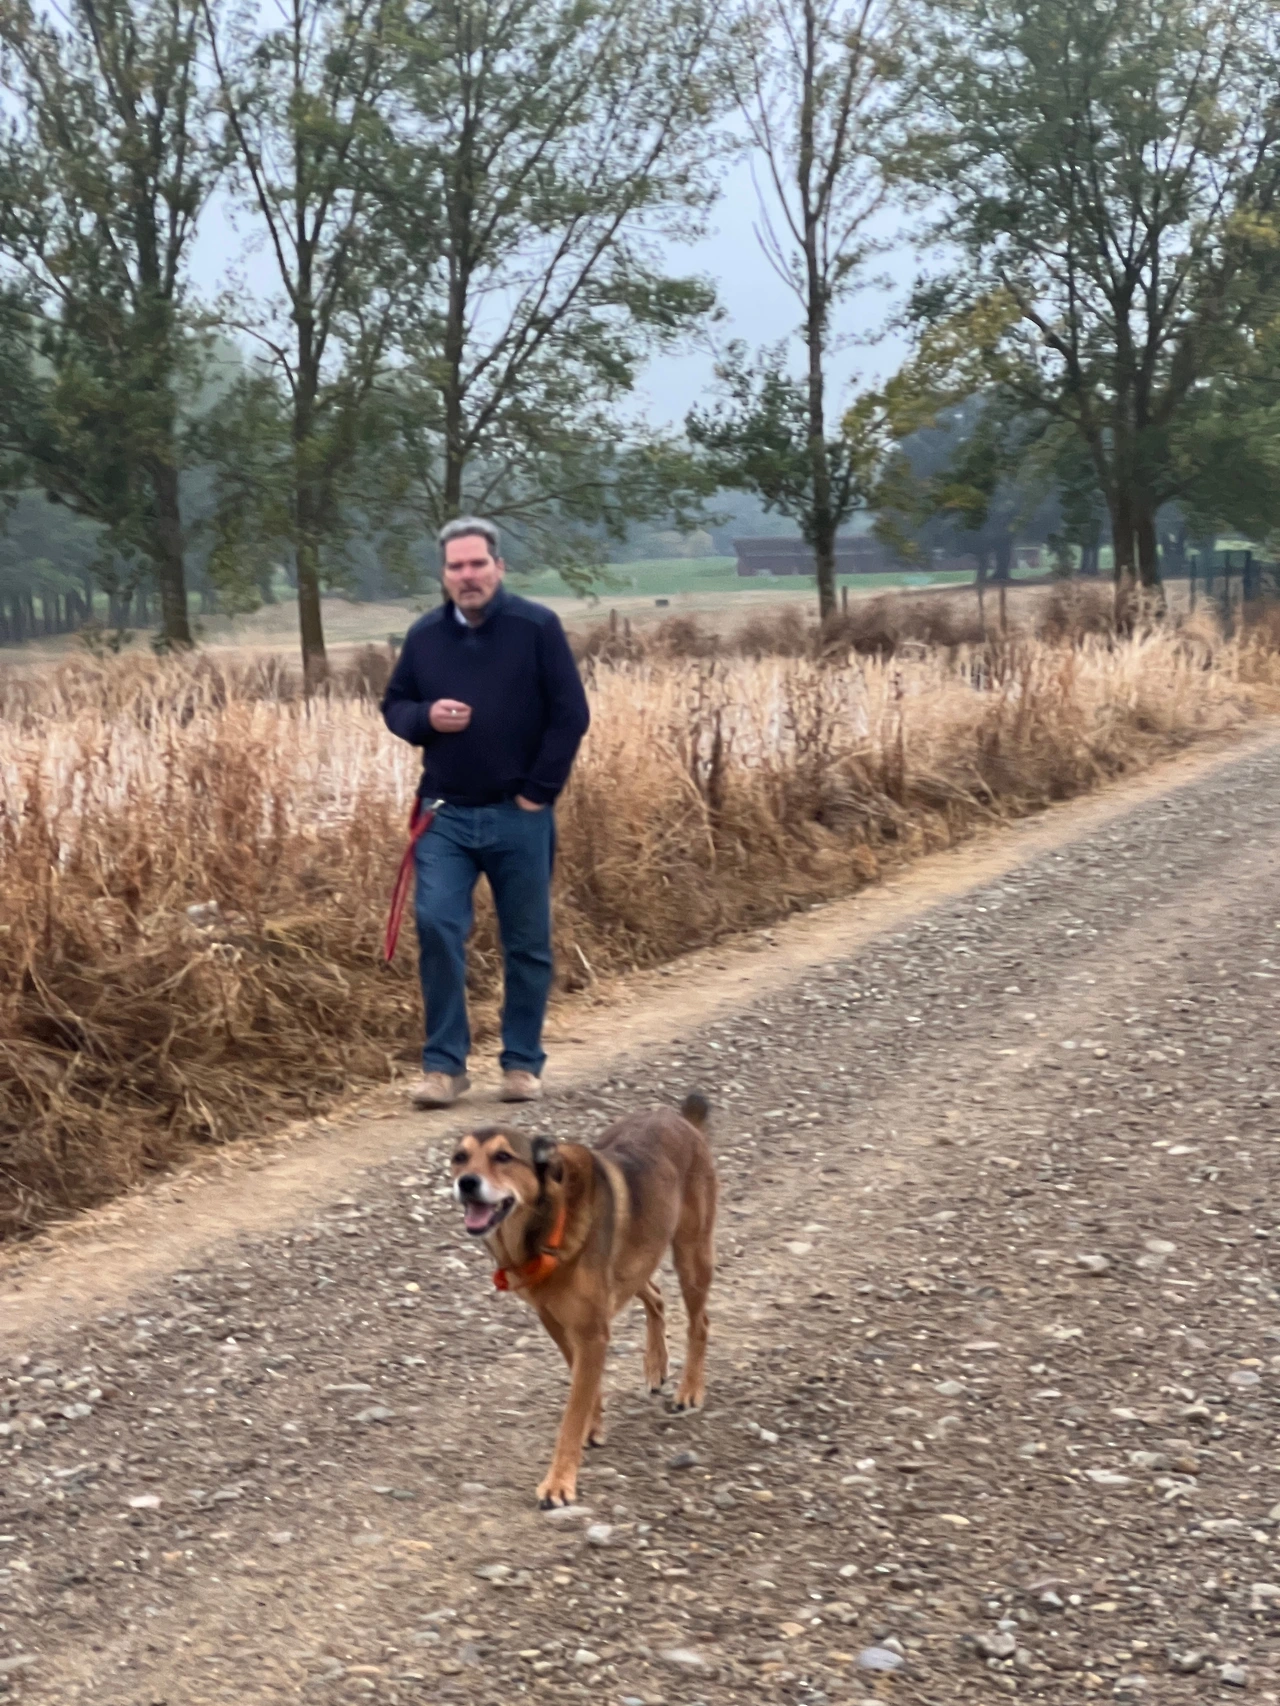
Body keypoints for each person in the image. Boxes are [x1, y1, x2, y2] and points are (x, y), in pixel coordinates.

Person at [381, 517, 591, 1108]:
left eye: (478, 564)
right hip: (444, 814)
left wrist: (538, 792)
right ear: (444, 574)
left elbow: (570, 715)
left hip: (518, 814)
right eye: (456, 566)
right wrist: (425, 718)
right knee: (437, 926)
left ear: (499, 567)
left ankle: (521, 1062)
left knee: (527, 941)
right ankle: (444, 1067)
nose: (467, 575)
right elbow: (394, 705)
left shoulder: (536, 627)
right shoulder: (424, 636)